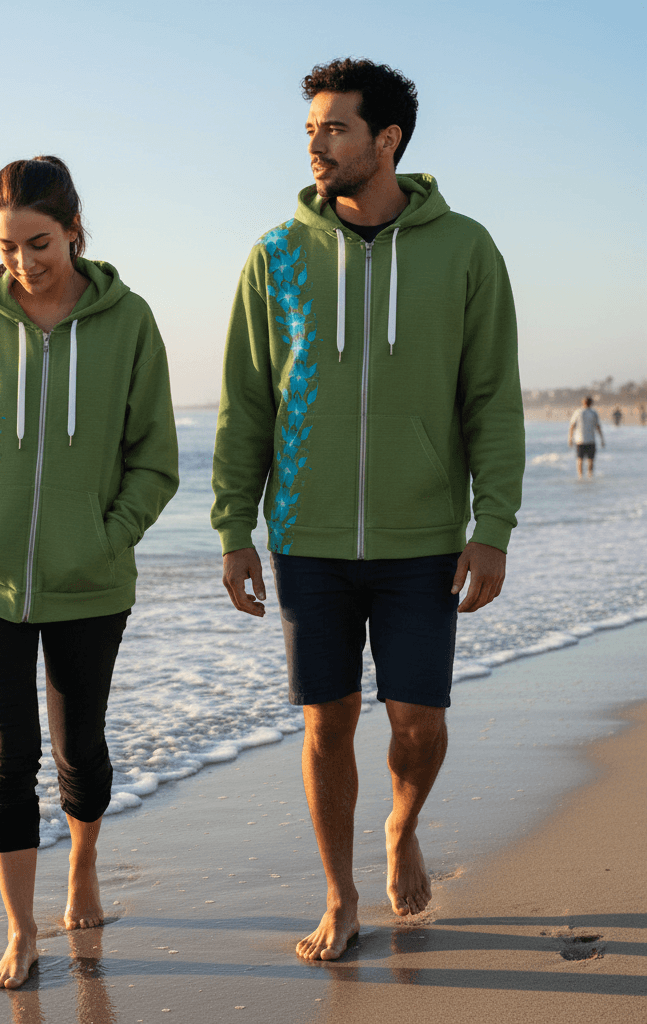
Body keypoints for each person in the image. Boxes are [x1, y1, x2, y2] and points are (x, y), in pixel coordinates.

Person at [211, 59, 524, 962]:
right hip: (307, 534)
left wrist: (491, 527)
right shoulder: (274, 256)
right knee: (326, 720)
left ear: (386, 141)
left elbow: (491, 399)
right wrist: (235, 526)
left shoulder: (466, 250)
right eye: (310, 128)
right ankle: (340, 896)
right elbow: (246, 403)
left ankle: (403, 824)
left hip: (423, 535)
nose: (316, 144)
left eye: (336, 128)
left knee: (417, 721)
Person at [0, 156, 179, 989]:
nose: (24, 263)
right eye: (7, 248)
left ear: (73, 228)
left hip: (89, 582)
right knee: (8, 755)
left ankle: (84, 861)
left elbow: (154, 458)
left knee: (81, 749)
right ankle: (20, 932)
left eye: (39, 243)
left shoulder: (128, 321)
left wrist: (110, 536)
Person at [568, 396, 605, 477]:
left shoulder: (578, 412)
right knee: (590, 460)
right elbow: (598, 426)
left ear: (583, 402)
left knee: (580, 459)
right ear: (591, 403)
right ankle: (590, 475)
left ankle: (580, 476)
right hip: (590, 439)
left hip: (580, 440)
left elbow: (572, 426)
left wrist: (570, 439)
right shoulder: (593, 413)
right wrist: (602, 439)